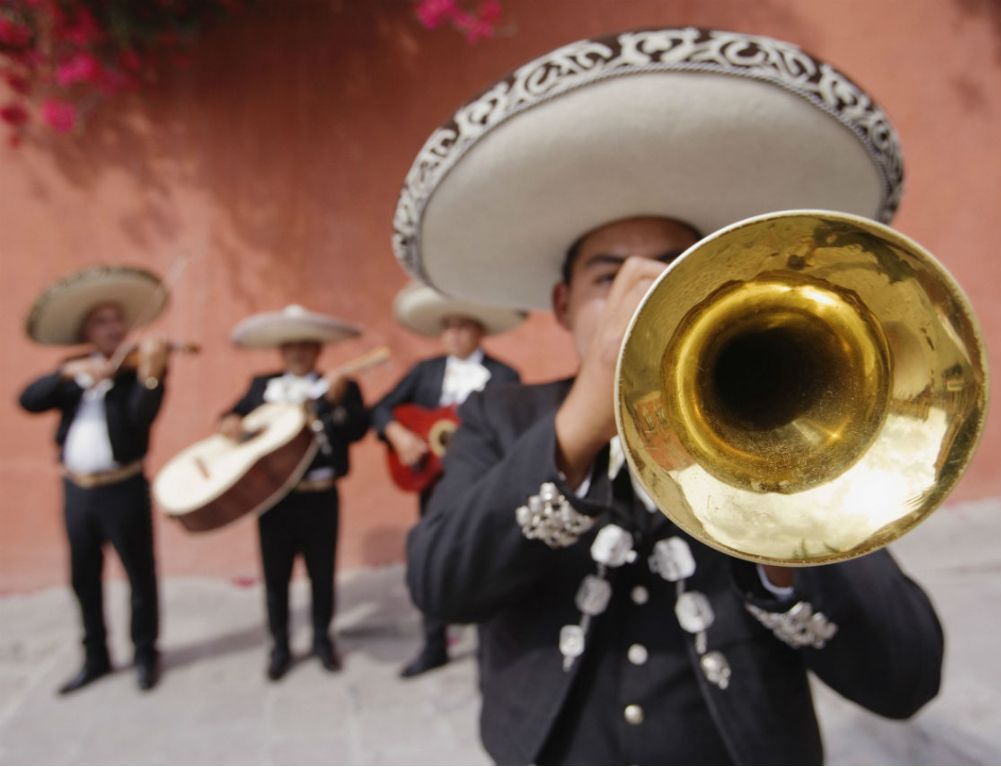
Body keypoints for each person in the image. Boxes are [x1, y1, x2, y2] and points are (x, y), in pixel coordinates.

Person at [392, 28, 945, 764]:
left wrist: (786, 534)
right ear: (560, 304)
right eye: (608, 278)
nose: (641, 298)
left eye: (678, 273)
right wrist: (580, 423)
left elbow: (906, 676)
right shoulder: (502, 416)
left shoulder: (782, 429)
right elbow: (439, 587)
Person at [18, 265, 172, 694]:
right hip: (77, 492)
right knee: (83, 576)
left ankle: (145, 652)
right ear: (88, 330)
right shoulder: (71, 371)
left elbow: (142, 419)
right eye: (102, 321)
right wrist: (69, 374)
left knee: (140, 574)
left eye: (117, 319)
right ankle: (95, 656)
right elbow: (27, 400)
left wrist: (153, 375)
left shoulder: (139, 371)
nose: (113, 327)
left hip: (123, 487)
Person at [372, 282, 523, 678]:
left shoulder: (505, 375)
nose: (454, 334)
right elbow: (382, 409)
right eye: (448, 326)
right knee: (433, 556)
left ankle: (491, 650)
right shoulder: (425, 372)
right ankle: (433, 644)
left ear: (479, 331)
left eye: (463, 326)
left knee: (490, 557)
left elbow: (513, 431)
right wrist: (400, 434)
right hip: (433, 484)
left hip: (485, 485)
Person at [221, 304, 370, 681]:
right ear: (280, 351)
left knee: (322, 572)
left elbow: (357, 430)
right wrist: (230, 423)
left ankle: (322, 638)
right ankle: (280, 645)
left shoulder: (341, 385)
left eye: (306, 346)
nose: (298, 353)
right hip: (275, 498)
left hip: (320, 495)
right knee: (276, 576)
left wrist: (335, 406)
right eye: (290, 346)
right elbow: (230, 416)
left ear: (318, 350)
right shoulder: (261, 387)